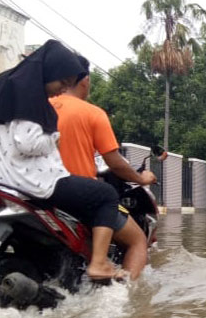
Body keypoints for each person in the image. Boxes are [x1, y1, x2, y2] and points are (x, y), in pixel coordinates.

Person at [0, 40, 126, 281]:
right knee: (106, 195)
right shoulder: (31, 96)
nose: (61, 90)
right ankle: (99, 263)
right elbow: (27, 144)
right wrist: (53, 140)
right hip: (32, 181)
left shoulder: (6, 86)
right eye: (62, 83)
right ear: (48, 72)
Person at [51, 57, 155, 279]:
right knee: (137, 241)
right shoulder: (92, 113)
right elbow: (114, 162)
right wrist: (142, 179)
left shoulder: (41, 107)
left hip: (38, 191)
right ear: (85, 80)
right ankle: (125, 300)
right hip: (77, 197)